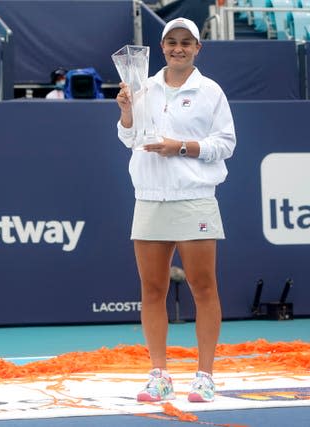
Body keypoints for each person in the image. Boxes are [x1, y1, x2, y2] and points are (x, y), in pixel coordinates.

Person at [115, 17, 236, 404]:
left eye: (186, 42)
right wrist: (127, 113)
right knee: (152, 290)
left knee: (204, 288)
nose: (178, 48)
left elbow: (225, 144)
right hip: (149, 197)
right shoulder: (142, 87)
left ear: (198, 48)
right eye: (171, 42)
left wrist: (180, 147)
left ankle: (204, 376)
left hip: (193, 197)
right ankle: (159, 375)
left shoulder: (211, 92)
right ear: (162, 46)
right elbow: (131, 139)